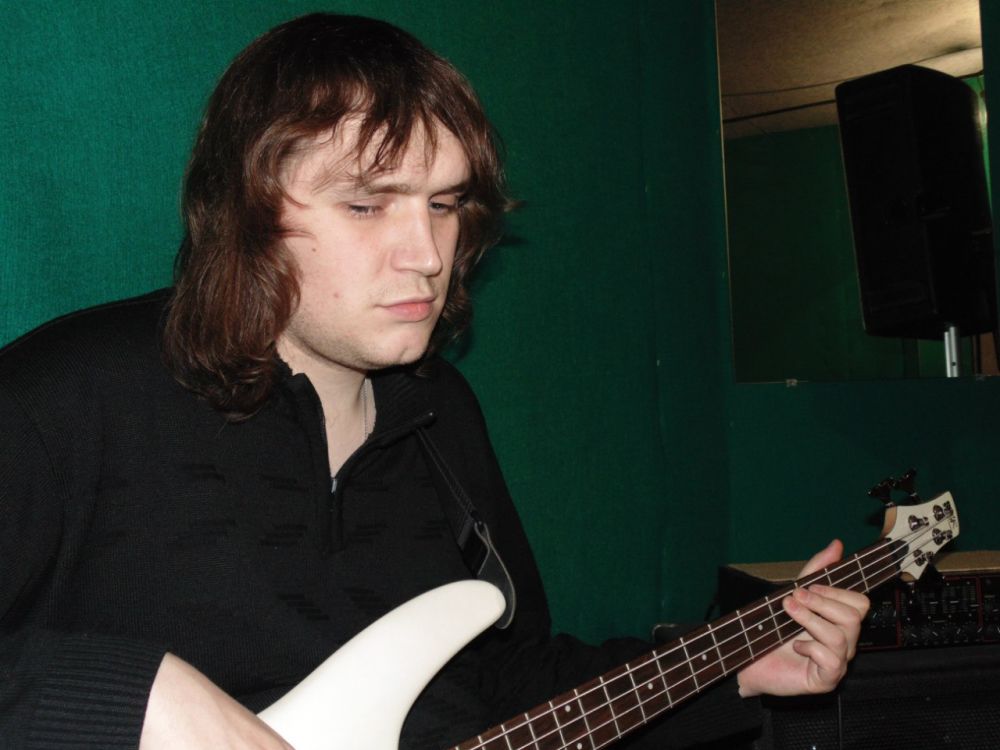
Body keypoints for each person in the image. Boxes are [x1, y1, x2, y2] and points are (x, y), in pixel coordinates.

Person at [0, 13, 869, 750]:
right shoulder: (71, 394)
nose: (427, 255)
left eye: (445, 205)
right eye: (367, 204)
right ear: (246, 211)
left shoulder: (438, 413)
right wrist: (133, 694)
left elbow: (498, 678)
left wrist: (731, 672)